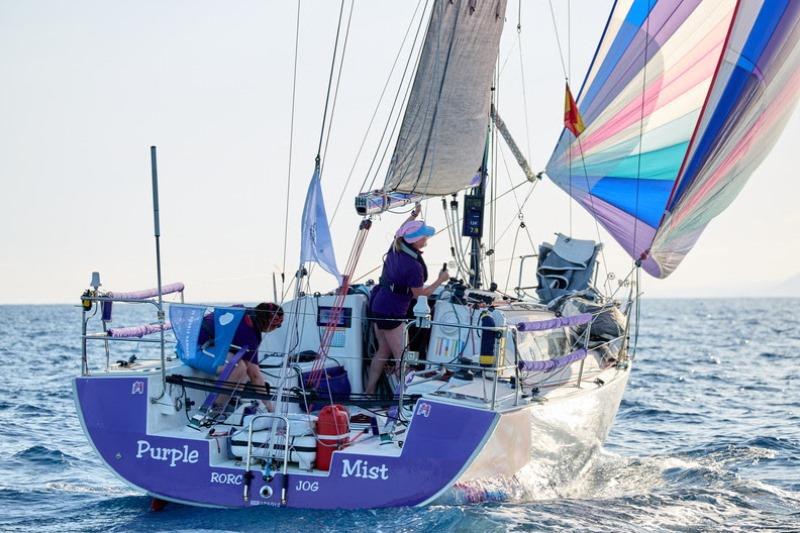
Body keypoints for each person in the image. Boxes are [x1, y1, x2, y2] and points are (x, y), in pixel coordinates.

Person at [365, 205, 449, 395]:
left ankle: (368, 392)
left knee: (383, 352)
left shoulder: (397, 246)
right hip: (393, 311)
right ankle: (401, 400)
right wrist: (440, 280)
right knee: (403, 357)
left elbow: (401, 230)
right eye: (425, 235)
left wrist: (413, 215)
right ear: (416, 239)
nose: (427, 238)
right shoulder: (413, 267)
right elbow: (420, 295)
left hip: (378, 305)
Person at [198, 302, 284, 410]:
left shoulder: (246, 313)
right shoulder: (248, 334)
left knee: (244, 363)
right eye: (278, 325)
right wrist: (270, 407)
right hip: (197, 349)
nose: (277, 328)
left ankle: (231, 398)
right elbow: (255, 375)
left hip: (200, 341)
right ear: (268, 324)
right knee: (240, 367)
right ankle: (216, 408)